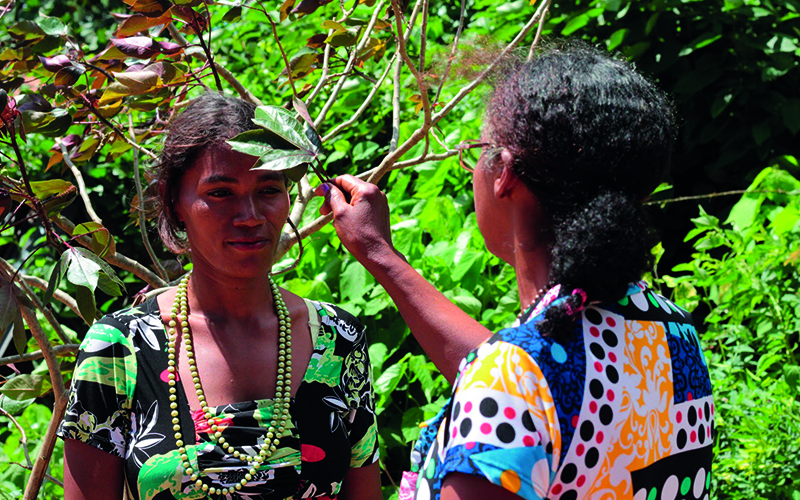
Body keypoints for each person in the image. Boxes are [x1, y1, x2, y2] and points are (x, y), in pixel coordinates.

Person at [319, 41, 714, 500]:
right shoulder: (671, 332)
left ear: (504, 172)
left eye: (476, 150)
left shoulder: (516, 377)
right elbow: (539, 387)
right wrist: (380, 254)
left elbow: (514, 387)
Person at [58, 92, 382, 500]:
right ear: (175, 201)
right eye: (220, 193)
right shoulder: (119, 351)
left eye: (268, 189)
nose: (249, 215)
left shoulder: (338, 339)